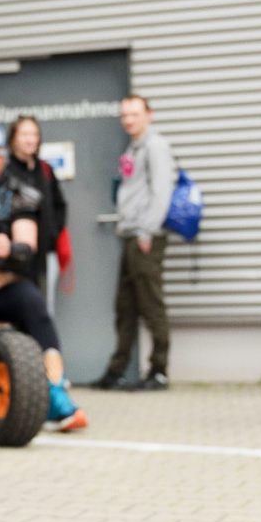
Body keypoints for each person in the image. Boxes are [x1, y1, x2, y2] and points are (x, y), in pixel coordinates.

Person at [0, 121, 88, 433]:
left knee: (34, 307)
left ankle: (55, 394)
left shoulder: (19, 193)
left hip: (0, 280)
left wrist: (8, 245)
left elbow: (27, 242)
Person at [93, 94, 175, 391]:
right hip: (131, 237)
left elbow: (162, 191)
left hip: (145, 238)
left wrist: (146, 232)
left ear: (149, 115)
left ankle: (159, 371)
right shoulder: (134, 147)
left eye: (135, 114)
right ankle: (117, 371)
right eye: (125, 115)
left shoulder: (155, 146)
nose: (129, 120)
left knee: (151, 305)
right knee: (125, 307)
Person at [4, 115, 70, 295]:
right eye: (24, 134)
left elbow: (60, 205)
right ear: (13, 138)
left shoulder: (45, 169)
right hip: (15, 258)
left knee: (44, 304)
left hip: (46, 253)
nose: (30, 139)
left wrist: (52, 233)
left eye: (34, 134)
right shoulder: (4, 171)